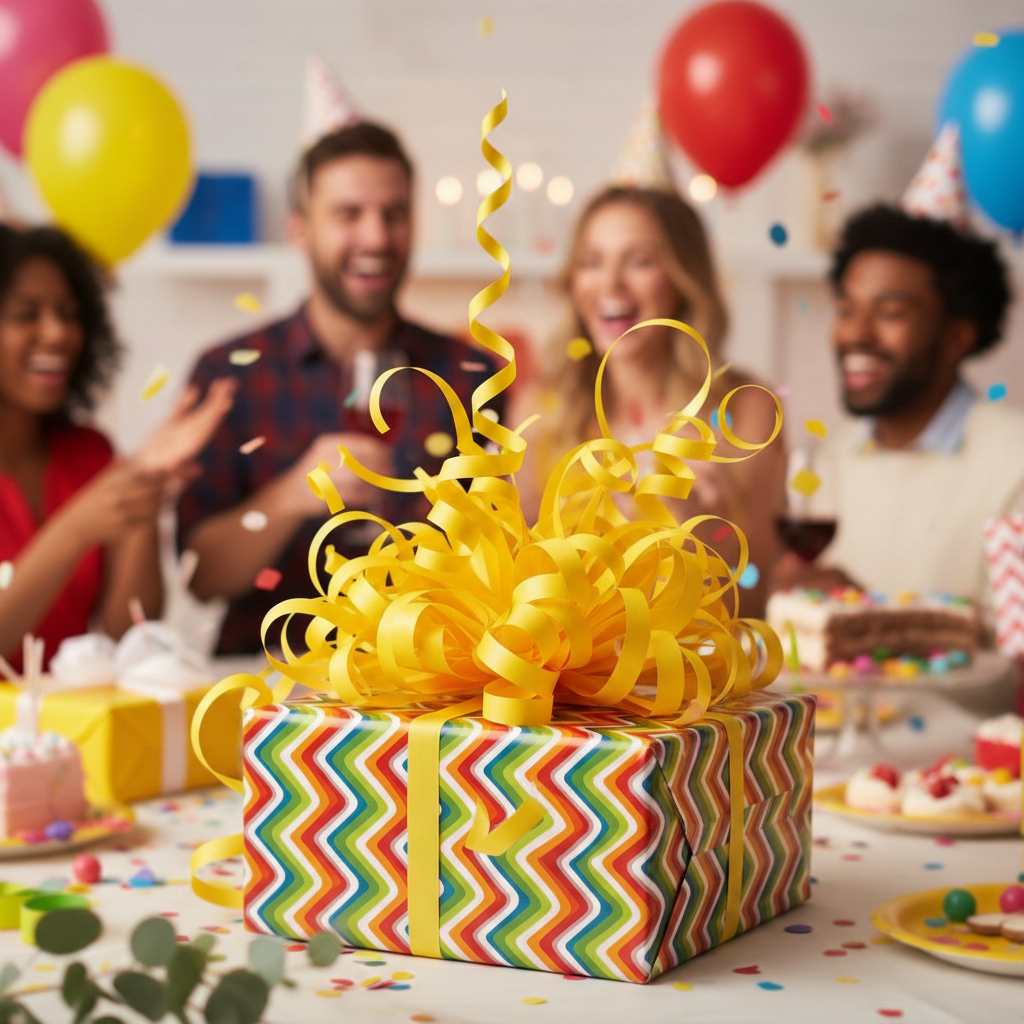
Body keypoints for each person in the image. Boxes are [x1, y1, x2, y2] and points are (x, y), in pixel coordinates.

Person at [178, 122, 505, 654]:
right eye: (349, 214)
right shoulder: (230, 374)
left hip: (426, 685)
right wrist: (289, 496)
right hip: (267, 682)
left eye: (393, 214)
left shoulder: (471, 377)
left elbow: (501, 561)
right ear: (300, 231)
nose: (376, 237)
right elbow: (201, 577)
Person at [512, 186, 786, 617]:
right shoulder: (542, 408)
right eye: (591, 261)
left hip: (700, 676)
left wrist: (694, 539)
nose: (610, 284)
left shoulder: (746, 411)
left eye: (640, 261)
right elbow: (517, 585)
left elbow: (754, 598)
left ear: (682, 278)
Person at [0, 224, 235, 670]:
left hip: (68, 731)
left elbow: (127, 637)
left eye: (69, 314)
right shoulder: (92, 489)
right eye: (26, 314)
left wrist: (143, 478)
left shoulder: (89, 454)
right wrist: (75, 529)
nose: (57, 333)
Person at [774, 204, 1022, 601]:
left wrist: (868, 612)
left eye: (890, 313)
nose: (856, 332)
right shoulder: (832, 457)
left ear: (957, 337)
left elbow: (1015, 644)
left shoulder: (1014, 461)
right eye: (845, 310)